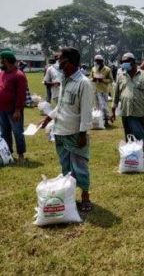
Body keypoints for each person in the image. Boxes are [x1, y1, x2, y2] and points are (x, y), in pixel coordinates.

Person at [40, 47, 94, 212]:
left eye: (61, 59)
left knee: (80, 166)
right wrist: (49, 117)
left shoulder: (83, 83)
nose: (58, 62)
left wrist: (83, 134)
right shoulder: (64, 80)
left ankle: (85, 196)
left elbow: (86, 112)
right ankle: (69, 196)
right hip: (60, 132)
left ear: (69, 61)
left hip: (75, 133)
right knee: (65, 167)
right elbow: (61, 105)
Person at [112, 52, 144, 166]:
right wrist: (113, 110)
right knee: (129, 135)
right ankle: (132, 157)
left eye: (126, 62)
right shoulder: (121, 76)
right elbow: (116, 94)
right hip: (125, 111)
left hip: (139, 111)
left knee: (141, 135)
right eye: (123, 62)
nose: (123, 65)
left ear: (132, 62)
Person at [0, 50, 28, 164]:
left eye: (1, 60)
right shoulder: (2, 73)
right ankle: (9, 154)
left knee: (17, 132)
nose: (0, 62)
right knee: (5, 132)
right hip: (2, 109)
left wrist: (17, 110)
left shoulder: (19, 75)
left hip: (13, 110)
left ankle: (21, 155)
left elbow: (21, 94)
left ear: (6, 60)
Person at [90, 54, 114, 126]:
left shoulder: (107, 69)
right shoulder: (93, 69)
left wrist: (103, 80)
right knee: (97, 107)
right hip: (95, 90)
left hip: (103, 90)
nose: (96, 63)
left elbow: (111, 80)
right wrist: (93, 79)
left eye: (98, 61)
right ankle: (99, 121)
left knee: (103, 106)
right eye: (95, 61)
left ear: (101, 62)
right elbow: (90, 78)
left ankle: (106, 120)